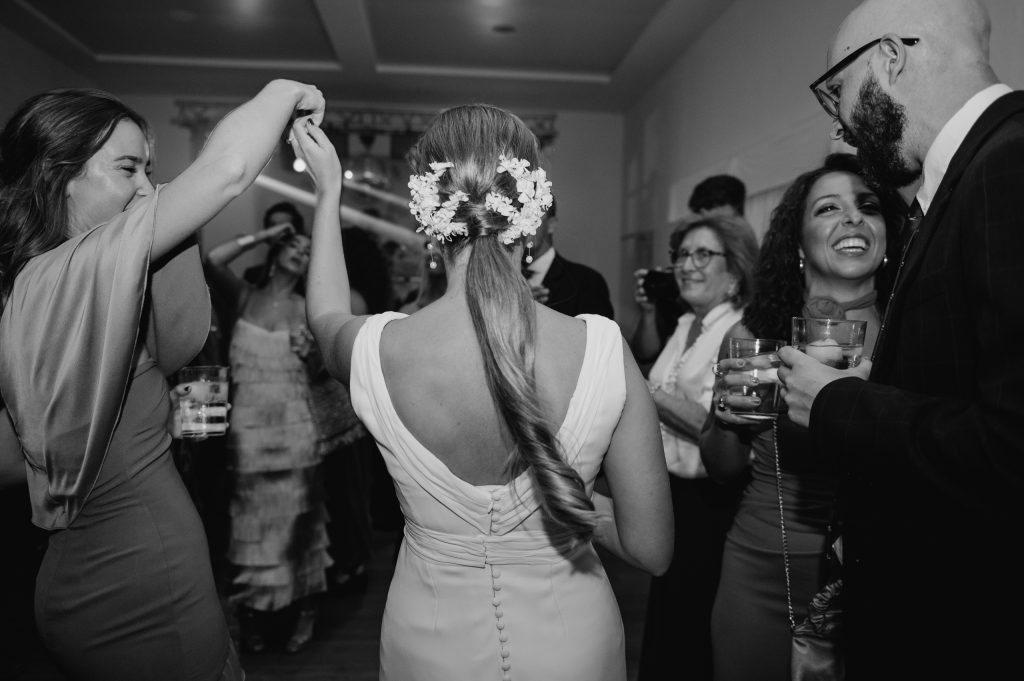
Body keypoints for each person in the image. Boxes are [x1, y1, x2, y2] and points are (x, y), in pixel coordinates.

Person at [297, 103, 673, 680]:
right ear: (534, 210)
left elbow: (324, 314)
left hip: (428, 646)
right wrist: (565, 498)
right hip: (573, 646)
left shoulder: (374, 347)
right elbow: (651, 549)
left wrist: (328, 195)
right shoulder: (602, 347)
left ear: (428, 218)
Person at [0, 80, 325, 680]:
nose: (148, 189)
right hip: (138, 584)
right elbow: (227, 171)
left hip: (100, 569)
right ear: (57, 175)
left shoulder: (46, 290)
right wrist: (287, 91)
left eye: (149, 171)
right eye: (127, 169)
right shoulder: (64, 275)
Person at [778, 1, 1024, 677]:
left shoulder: (1008, 167)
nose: (839, 123)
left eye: (838, 90)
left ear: (889, 59)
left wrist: (838, 404)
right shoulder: (968, 177)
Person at [700, 153, 901, 681]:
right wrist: (726, 415)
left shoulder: (911, 335)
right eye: (828, 208)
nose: (853, 217)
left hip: (878, 574)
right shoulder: (752, 336)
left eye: (868, 206)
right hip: (761, 564)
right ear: (797, 242)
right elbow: (721, 469)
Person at [205, 223, 362, 653]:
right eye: (292, 244)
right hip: (248, 432)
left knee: (300, 520)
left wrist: (312, 355)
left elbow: (323, 374)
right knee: (251, 522)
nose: (299, 252)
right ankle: (252, 612)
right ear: (276, 252)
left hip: (296, 429)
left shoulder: (309, 311)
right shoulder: (244, 297)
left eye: (308, 250)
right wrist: (264, 234)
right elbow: (213, 259)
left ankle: (304, 611)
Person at [632, 215, 759, 681]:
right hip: (673, 496)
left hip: (714, 503)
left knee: (694, 623)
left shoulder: (742, 331)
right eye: (682, 255)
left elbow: (720, 426)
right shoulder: (688, 321)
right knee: (669, 617)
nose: (687, 265)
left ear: (736, 270)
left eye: (703, 254)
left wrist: (647, 393)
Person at [522, 197, 615, 318]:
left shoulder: (587, 281)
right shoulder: (504, 277)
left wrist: (534, 310)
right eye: (517, 220)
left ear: (551, 225)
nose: (524, 227)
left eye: (532, 219)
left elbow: (598, 330)